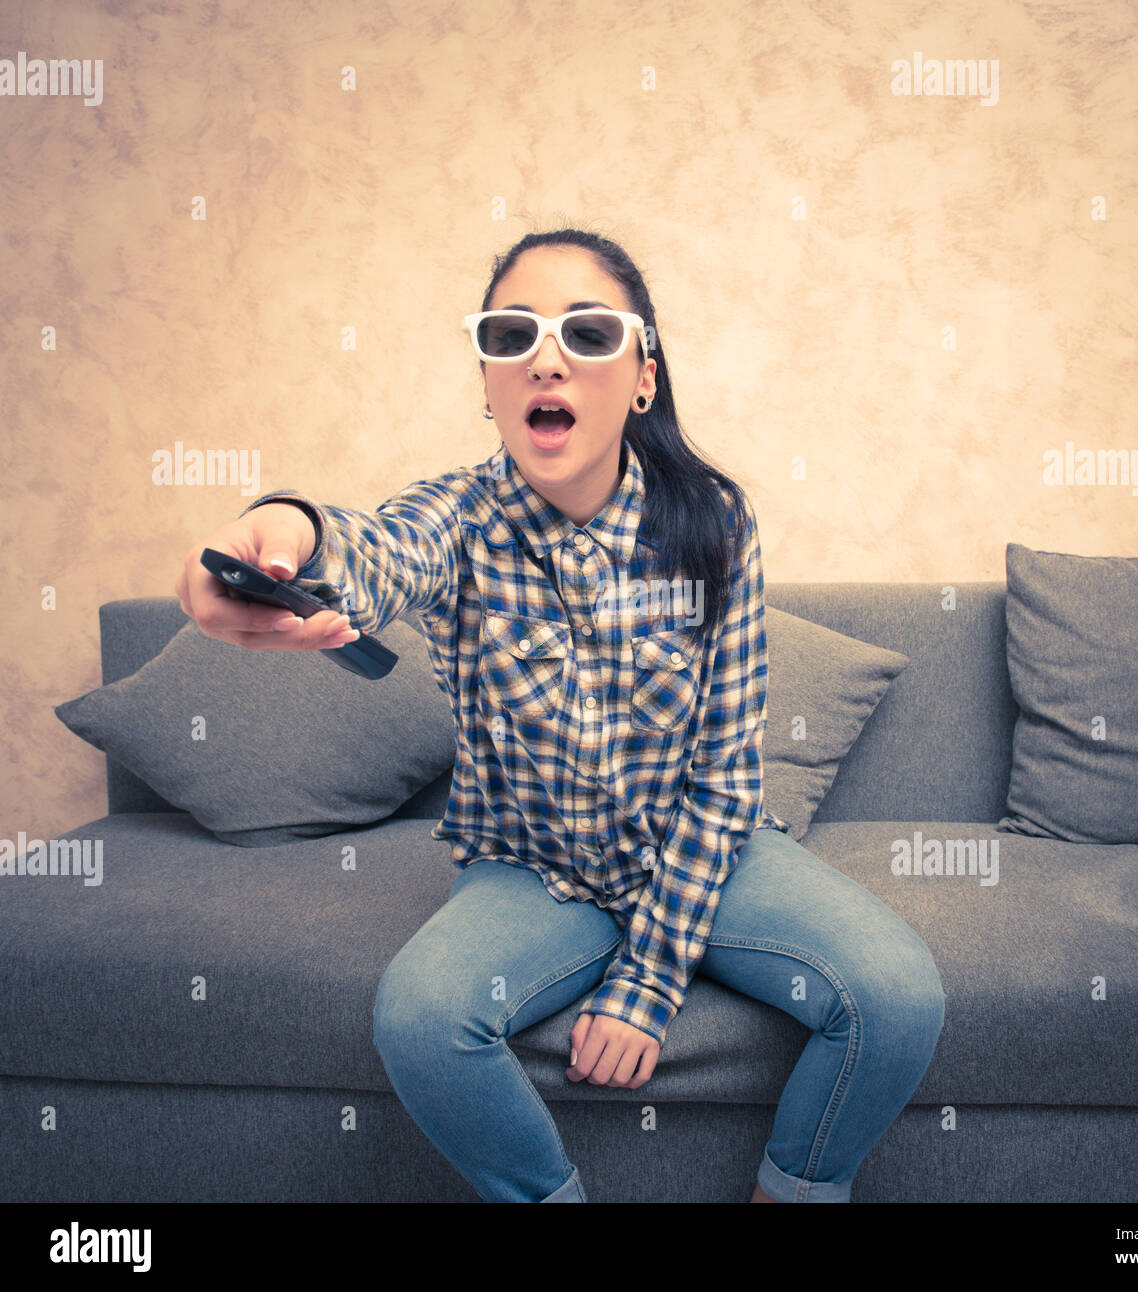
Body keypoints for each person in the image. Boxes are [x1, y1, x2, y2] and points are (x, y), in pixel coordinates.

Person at [174, 227, 946, 1203]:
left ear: (641, 378)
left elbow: (724, 776)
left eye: (587, 330)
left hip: (700, 849)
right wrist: (288, 533)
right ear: (490, 383)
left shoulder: (715, 522)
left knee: (898, 993)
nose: (546, 354)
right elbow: (373, 549)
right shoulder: (453, 519)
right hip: (533, 868)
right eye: (511, 333)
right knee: (420, 1014)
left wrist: (647, 983)